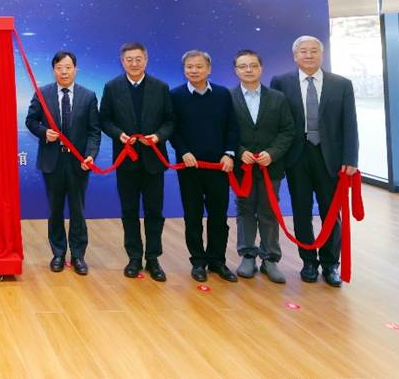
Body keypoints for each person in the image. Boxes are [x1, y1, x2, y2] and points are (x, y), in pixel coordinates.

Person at [270, 35, 359, 287]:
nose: (308, 55)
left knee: (331, 211)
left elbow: (350, 123)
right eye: (303, 51)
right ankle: (308, 262)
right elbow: (276, 122)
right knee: (301, 210)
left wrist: (350, 158)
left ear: (321, 54)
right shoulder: (281, 82)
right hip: (296, 155)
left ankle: (331, 264)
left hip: (330, 157)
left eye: (313, 51)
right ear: (294, 56)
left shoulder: (341, 84)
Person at [100, 42, 175, 281]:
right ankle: (134, 258)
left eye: (138, 59)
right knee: (129, 210)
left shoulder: (160, 87)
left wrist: (158, 136)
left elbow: (171, 121)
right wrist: (119, 135)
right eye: (129, 59)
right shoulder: (112, 87)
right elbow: (105, 120)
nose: (134, 63)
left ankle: (153, 259)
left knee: (154, 211)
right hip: (126, 160)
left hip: (154, 161)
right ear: (122, 61)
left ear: (146, 60)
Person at [25, 50, 101, 275]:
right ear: (53, 70)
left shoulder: (88, 96)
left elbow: (94, 131)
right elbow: (30, 120)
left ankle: (78, 256)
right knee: (55, 210)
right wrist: (43, 132)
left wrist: (90, 155)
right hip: (52, 161)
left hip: (78, 162)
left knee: (78, 210)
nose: (64, 72)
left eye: (68, 67)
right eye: (59, 68)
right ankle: (58, 253)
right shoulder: (43, 93)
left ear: (75, 69)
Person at [168, 50, 238, 283]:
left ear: (209, 69)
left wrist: (229, 154)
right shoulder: (175, 95)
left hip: (219, 167)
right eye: (189, 67)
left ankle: (217, 260)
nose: (194, 70)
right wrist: (183, 151)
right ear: (184, 69)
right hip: (189, 167)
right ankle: (198, 261)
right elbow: (172, 129)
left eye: (199, 66)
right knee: (193, 216)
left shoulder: (222, 94)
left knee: (219, 216)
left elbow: (232, 127)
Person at [230, 50, 298, 284]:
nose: (248, 70)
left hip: (271, 166)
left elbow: (288, 130)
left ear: (261, 68)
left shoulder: (278, 98)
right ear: (236, 70)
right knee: (245, 209)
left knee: (269, 210)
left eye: (253, 65)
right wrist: (240, 152)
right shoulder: (228, 98)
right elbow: (224, 131)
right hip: (243, 168)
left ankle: (270, 259)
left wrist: (273, 153)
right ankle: (247, 255)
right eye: (243, 66)